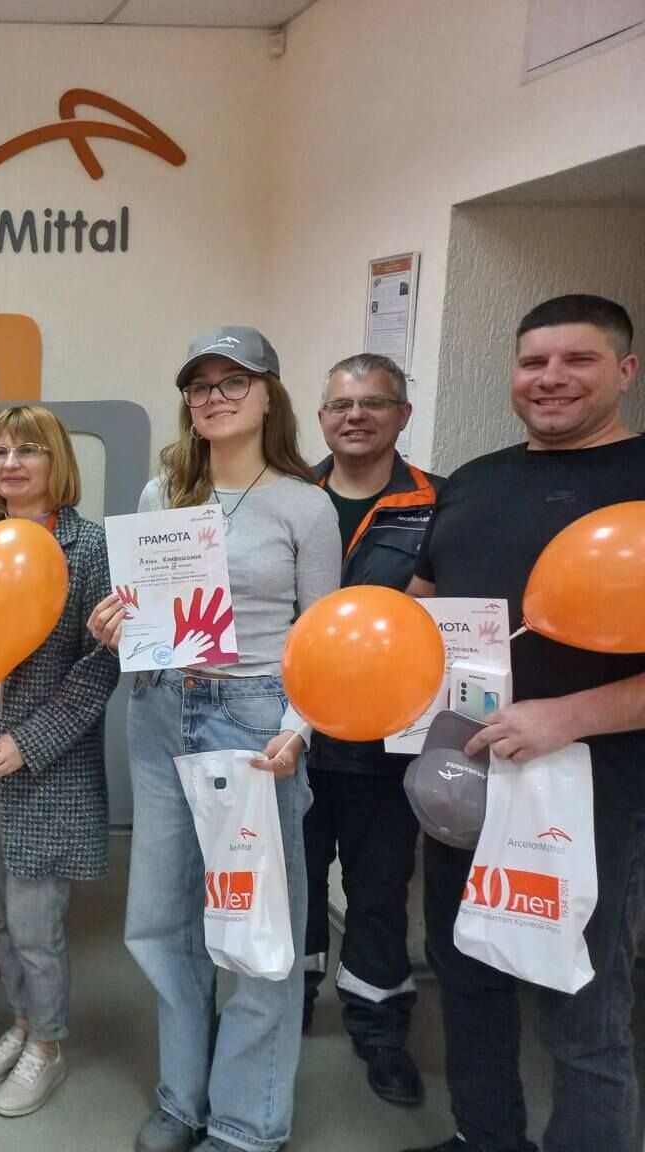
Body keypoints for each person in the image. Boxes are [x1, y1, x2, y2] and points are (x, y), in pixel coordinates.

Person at [402, 294, 645, 1152]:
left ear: (625, 370)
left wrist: (569, 716)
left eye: (578, 360)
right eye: (534, 361)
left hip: (594, 789)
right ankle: (486, 1139)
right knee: (465, 970)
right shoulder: (474, 481)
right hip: (465, 766)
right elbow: (423, 605)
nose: (551, 378)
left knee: (583, 1003)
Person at [88, 326, 340, 1152]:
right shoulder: (163, 494)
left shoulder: (305, 505)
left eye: (235, 381)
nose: (215, 397)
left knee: (255, 927)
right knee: (161, 919)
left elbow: (322, 642)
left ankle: (244, 1122)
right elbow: (146, 615)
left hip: (256, 721)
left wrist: (299, 730)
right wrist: (116, 626)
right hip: (163, 709)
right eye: (201, 385)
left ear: (270, 397)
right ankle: (182, 1098)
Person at [0, 406, 118, 1118]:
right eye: (0, 451)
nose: (10, 463)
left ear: (56, 461)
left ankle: (48, 1044)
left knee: (37, 922)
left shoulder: (88, 546)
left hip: (47, 763)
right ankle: (21, 1021)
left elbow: (102, 667)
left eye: (28, 450)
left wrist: (30, 741)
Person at [302, 352, 441, 1107]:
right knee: (291, 884)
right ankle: (290, 1000)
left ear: (402, 415)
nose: (354, 416)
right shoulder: (291, 496)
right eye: (340, 405)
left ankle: (379, 1027)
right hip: (291, 737)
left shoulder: (440, 504)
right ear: (322, 417)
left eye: (373, 403)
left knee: (380, 892)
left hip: (388, 746)